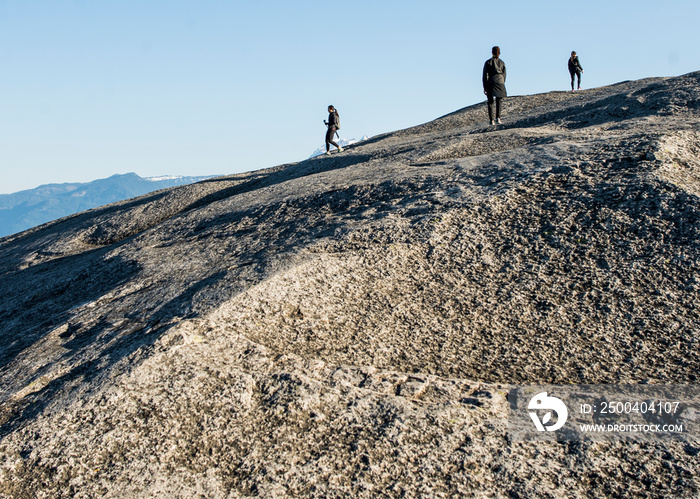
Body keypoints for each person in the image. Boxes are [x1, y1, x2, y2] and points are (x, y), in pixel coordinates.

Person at [482, 46, 507, 126]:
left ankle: (491, 120)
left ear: (492, 52)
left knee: (490, 101)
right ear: (499, 52)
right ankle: (498, 118)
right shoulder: (502, 62)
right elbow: (504, 74)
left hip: (491, 82)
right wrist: (502, 82)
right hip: (500, 82)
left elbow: (485, 75)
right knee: (499, 100)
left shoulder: (488, 62)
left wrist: (485, 86)